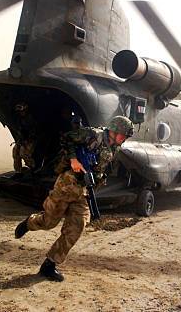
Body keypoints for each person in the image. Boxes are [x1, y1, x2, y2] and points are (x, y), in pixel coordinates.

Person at [14, 116, 134, 281]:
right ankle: (30, 222)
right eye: (123, 135)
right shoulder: (93, 135)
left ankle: (49, 264)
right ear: (114, 130)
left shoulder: (114, 148)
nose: (124, 139)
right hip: (66, 185)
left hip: (83, 192)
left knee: (78, 226)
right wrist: (74, 160)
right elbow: (67, 138)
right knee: (49, 222)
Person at [12, 103, 37, 173]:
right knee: (15, 152)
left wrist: (27, 140)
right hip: (22, 140)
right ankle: (18, 171)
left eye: (21, 110)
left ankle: (34, 169)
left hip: (30, 140)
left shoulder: (30, 118)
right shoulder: (20, 119)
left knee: (24, 154)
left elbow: (34, 131)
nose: (20, 112)